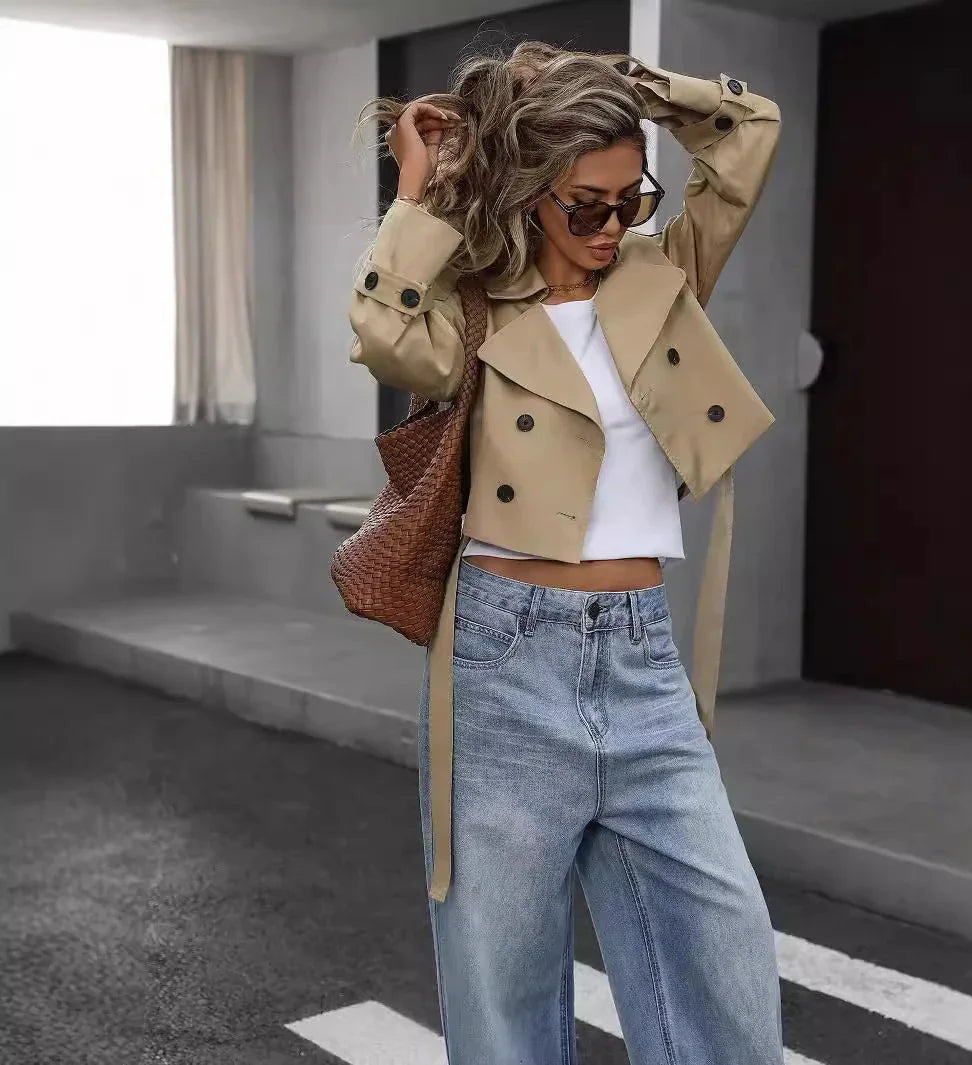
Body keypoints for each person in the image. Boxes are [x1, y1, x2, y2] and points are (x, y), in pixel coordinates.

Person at [348, 39, 784, 1065]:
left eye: (629, 199)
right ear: (531, 195)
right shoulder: (472, 306)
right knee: (503, 987)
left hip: (641, 660)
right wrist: (417, 197)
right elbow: (381, 334)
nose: (611, 225)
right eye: (585, 205)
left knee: (724, 966)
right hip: (504, 662)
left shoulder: (660, 273)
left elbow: (748, 132)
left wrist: (638, 91)